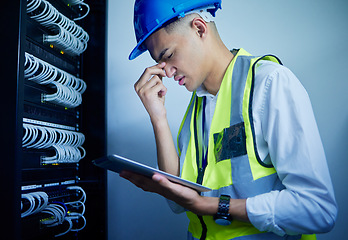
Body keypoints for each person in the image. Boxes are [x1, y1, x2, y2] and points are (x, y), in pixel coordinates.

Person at [121, 0, 338, 239]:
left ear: (199, 28)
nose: (167, 72)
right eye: (159, 63)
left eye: (169, 55)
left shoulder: (270, 84)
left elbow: (319, 209)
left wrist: (213, 206)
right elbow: (179, 203)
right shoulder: (197, 109)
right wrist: (158, 117)